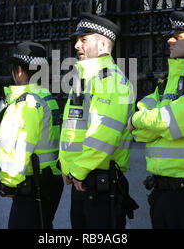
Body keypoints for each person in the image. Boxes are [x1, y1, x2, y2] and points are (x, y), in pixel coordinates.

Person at [127, 11, 184, 228]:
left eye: (177, 36)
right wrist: (148, 122)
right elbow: (139, 129)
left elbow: (170, 122)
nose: (169, 40)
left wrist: (143, 121)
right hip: (159, 191)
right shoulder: (168, 82)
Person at [59, 13, 138, 229]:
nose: (76, 45)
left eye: (84, 40)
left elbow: (103, 136)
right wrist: (68, 168)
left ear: (103, 44)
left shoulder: (110, 82)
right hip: (82, 181)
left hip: (100, 186)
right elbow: (73, 132)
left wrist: (76, 170)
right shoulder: (85, 80)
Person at [0, 41, 63, 229]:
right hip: (49, 181)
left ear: (20, 72)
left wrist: (8, 183)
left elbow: (19, 146)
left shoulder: (27, 103)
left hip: (31, 185)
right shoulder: (47, 98)